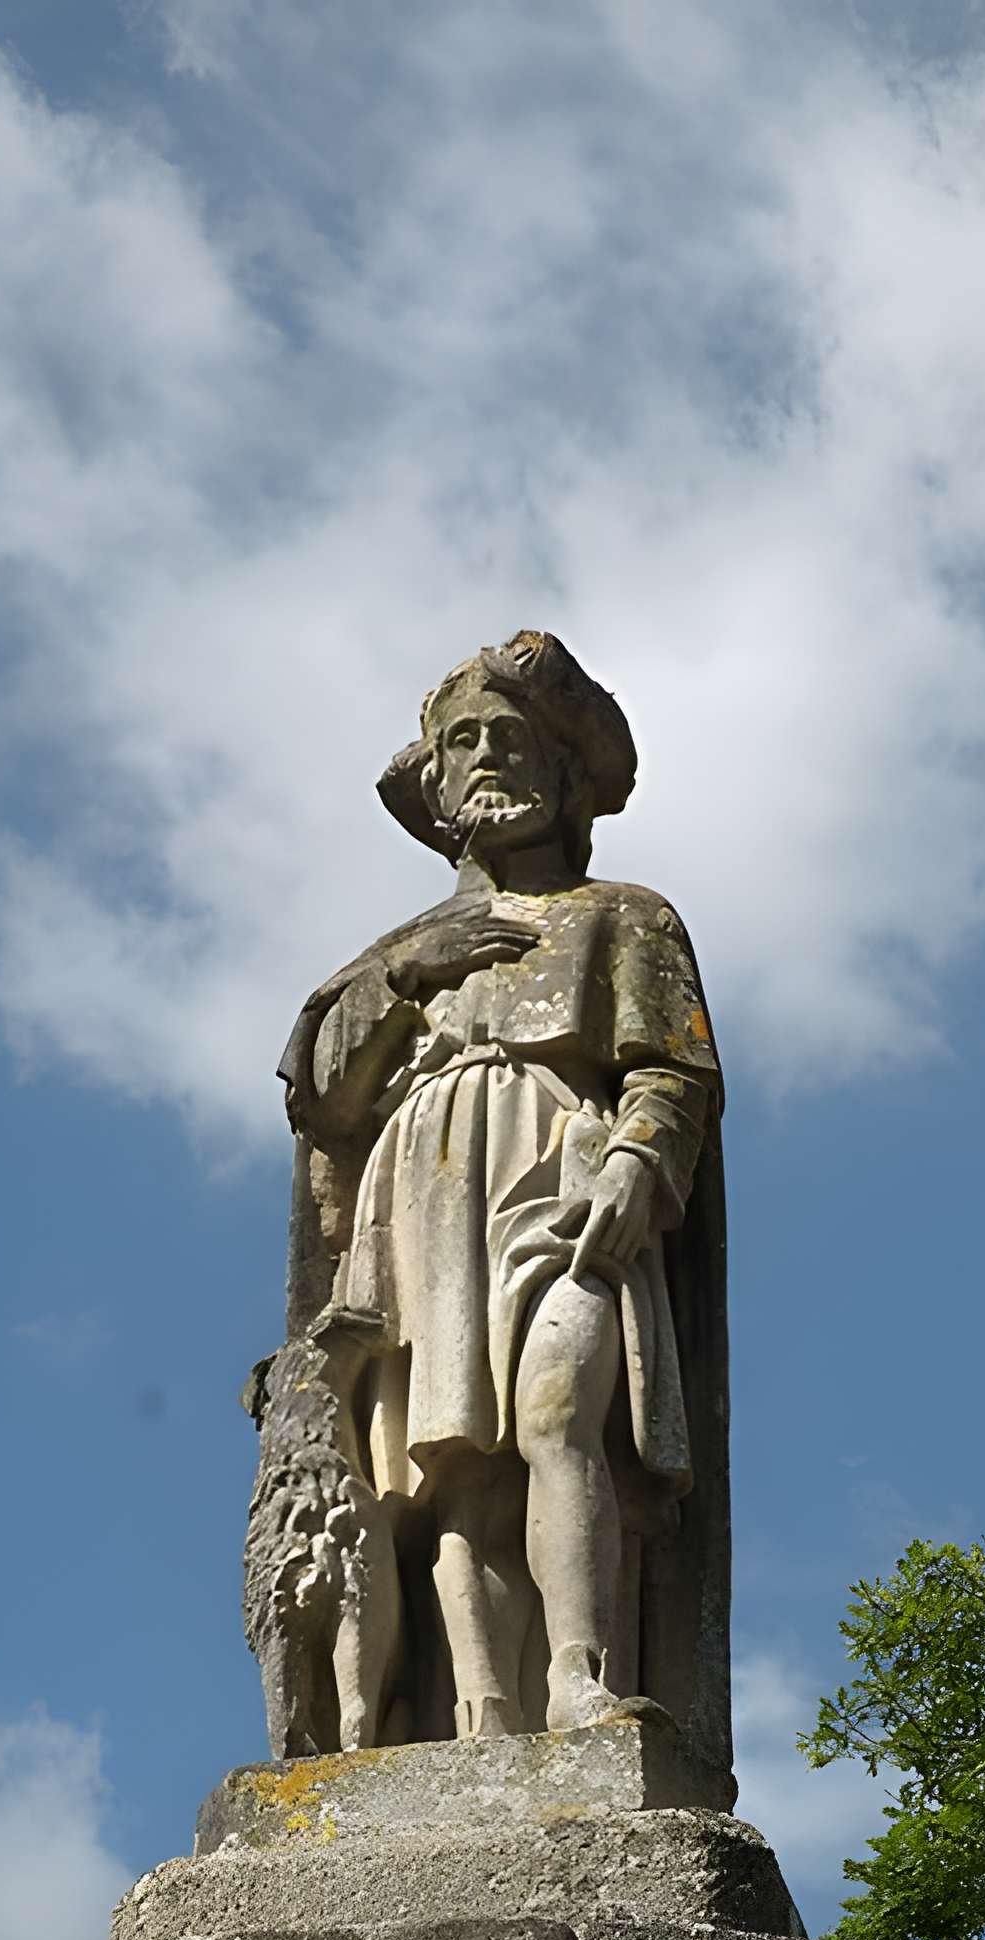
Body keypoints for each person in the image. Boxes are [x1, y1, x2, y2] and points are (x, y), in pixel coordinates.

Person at [275, 631, 726, 1744]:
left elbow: (673, 1072)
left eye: (512, 738)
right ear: (435, 782)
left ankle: (579, 1675)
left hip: (562, 1169)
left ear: (566, 774)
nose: (487, 758)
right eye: (462, 741)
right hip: (424, 1201)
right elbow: (322, 1099)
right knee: (459, 1473)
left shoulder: (620, 916)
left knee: (562, 1411)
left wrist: (636, 1160)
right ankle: (478, 1714)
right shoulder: (395, 953)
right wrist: (408, 975)